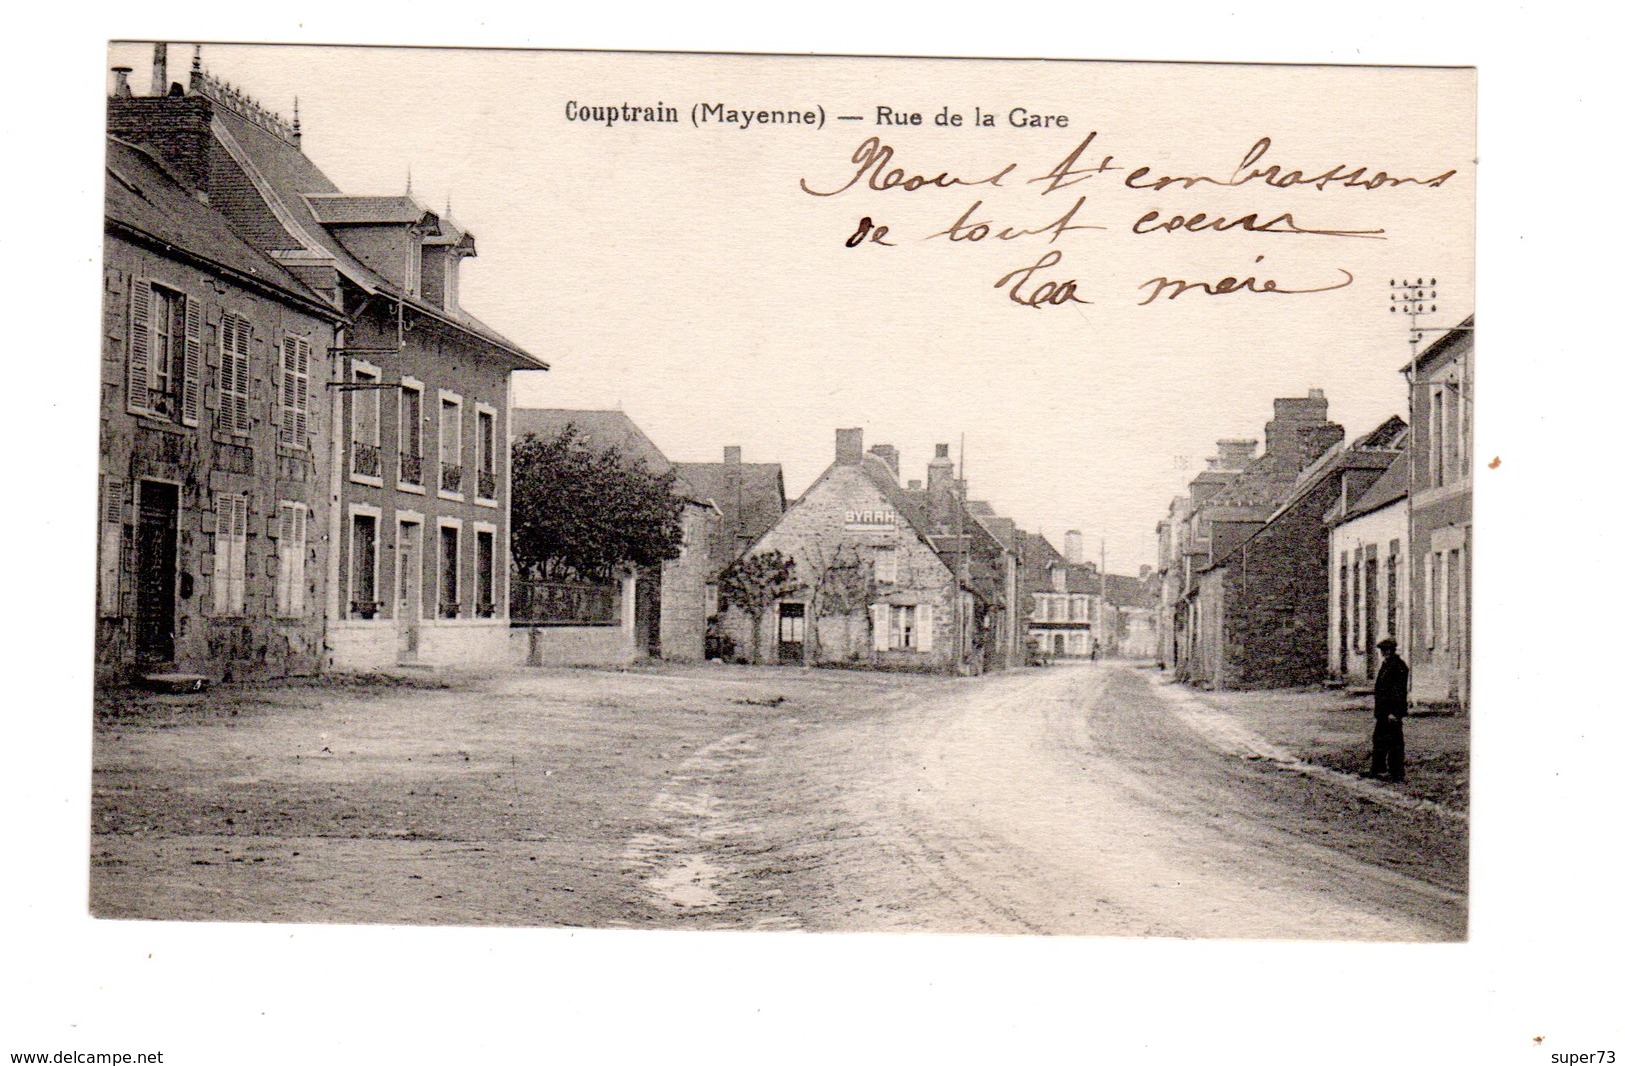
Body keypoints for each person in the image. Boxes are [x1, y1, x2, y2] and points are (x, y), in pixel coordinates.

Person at [1370, 636, 1410, 781]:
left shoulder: (1399, 666)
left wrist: (1395, 712)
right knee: (1379, 740)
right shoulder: (1386, 665)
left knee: (1395, 742)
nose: (1384, 653)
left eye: (1386, 650)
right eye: (1382, 651)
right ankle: (1378, 769)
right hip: (1383, 712)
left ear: (1392, 651)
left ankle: (1396, 772)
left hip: (1391, 712)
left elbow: (1399, 691)